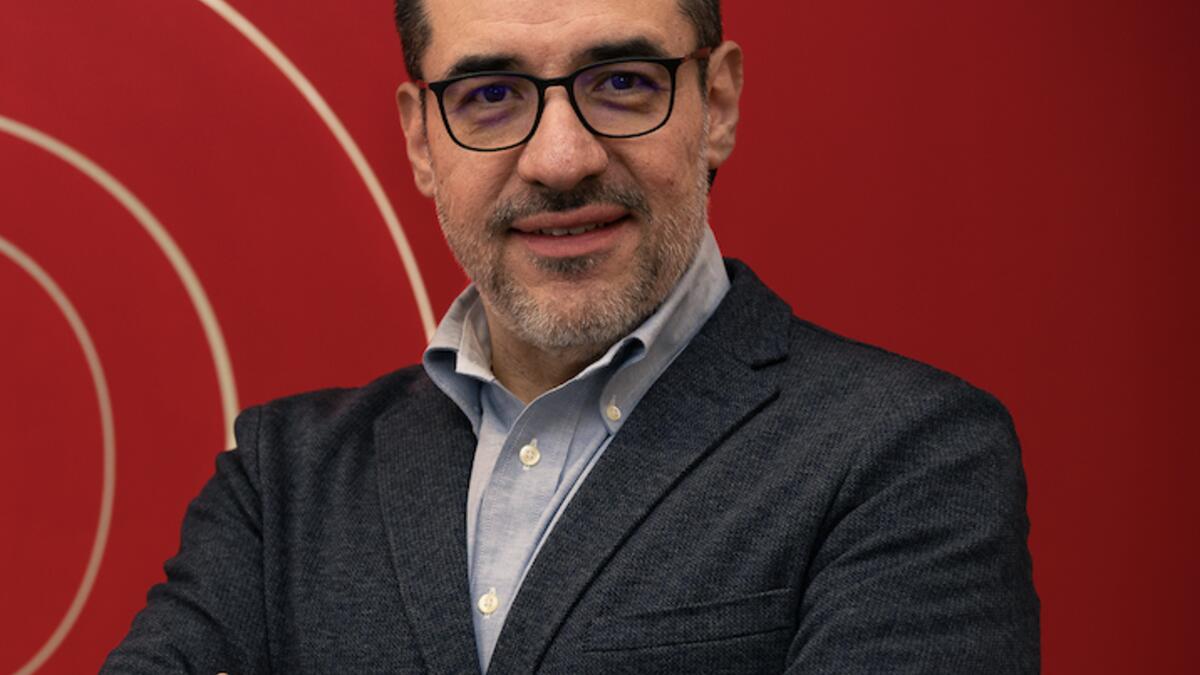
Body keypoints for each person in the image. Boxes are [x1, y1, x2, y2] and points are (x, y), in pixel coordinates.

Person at [103, 0, 1039, 672]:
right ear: (422, 141)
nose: (560, 160)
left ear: (716, 104)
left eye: (623, 82)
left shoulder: (906, 455)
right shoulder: (280, 480)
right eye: (490, 94)